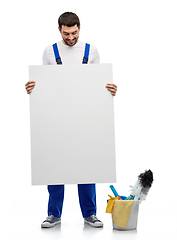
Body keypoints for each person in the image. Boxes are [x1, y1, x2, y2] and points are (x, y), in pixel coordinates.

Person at [25, 12, 117, 228]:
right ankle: (53, 214)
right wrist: (33, 88)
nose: (70, 37)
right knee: (55, 164)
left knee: (87, 164)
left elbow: (97, 84)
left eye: (74, 32)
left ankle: (90, 214)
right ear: (59, 30)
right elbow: (46, 85)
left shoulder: (91, 51)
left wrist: (109, 89)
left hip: (85, 116)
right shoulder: (49, 52)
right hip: (57, 116)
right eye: (66, 33)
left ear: (79, 28)